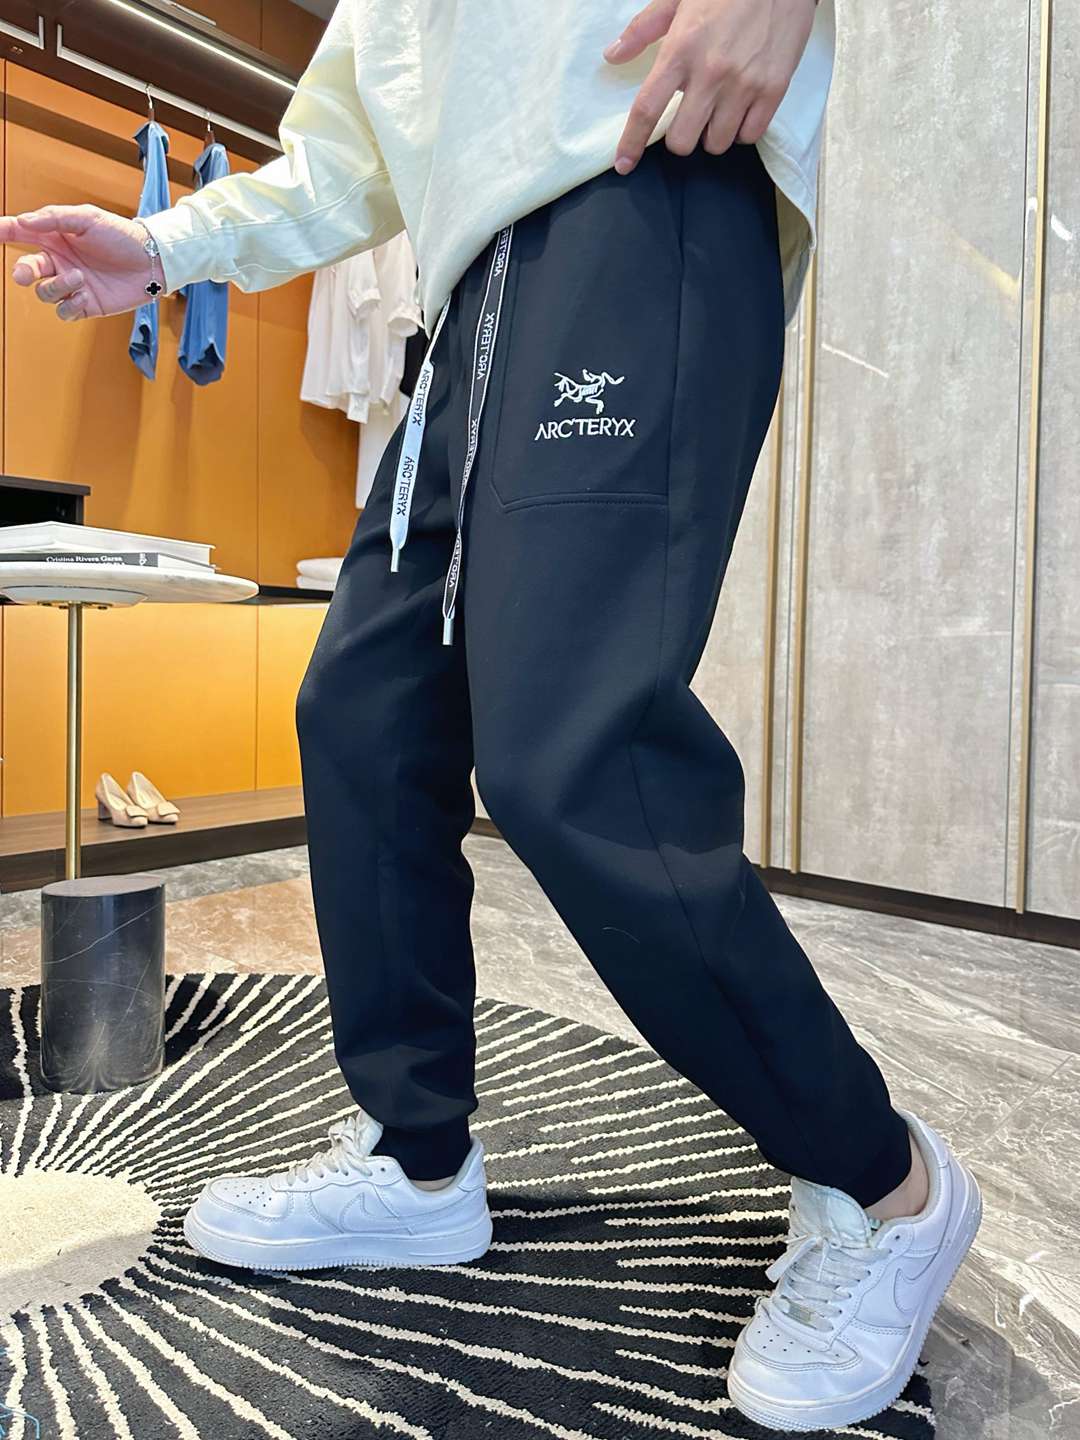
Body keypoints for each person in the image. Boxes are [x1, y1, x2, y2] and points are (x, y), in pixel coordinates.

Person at [0, 0, 982, 1429]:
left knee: (570, 757)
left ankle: (885, 1184)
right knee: (364, 722)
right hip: (467, 300)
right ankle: (417, 1164)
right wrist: (163, 247)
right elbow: (346, 156)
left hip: (643, 192)